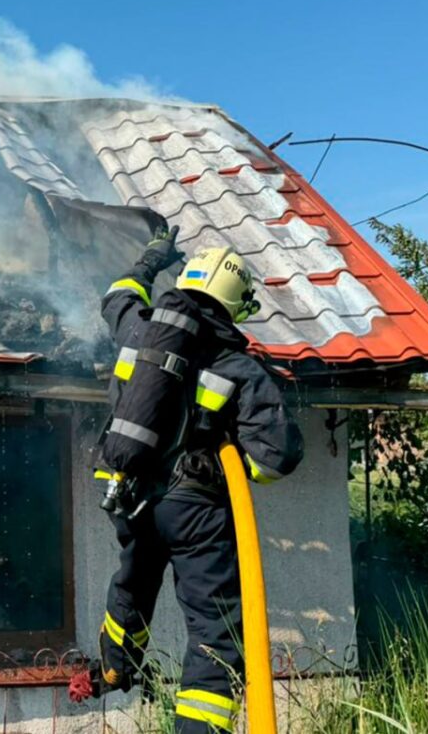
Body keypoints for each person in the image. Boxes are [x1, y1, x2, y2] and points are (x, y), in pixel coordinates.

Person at [76, 226, 304, 734]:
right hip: (195, 508)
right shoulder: (238, 366)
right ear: (233, 305)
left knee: (133, 583)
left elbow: (116, 295)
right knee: (213, 631)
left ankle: (116, 664)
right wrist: (223, 471)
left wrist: (151, 259)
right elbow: (276, 457)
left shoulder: (139, 330)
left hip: (128, 490)